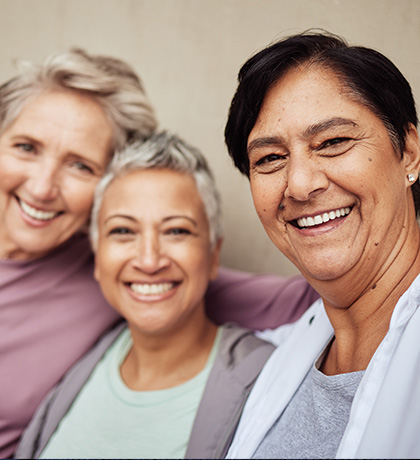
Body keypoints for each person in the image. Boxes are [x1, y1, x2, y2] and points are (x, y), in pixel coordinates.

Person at [0, 48, 318, 458]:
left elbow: (329, 291)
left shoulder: (115, 265)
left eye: (80, 165)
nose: (43, 186)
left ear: (107, 189)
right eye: (26, 147)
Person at [15, 132, 276, 459]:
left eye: (176, 231)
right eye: (123, 231)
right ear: (97, 257)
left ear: (212, 256)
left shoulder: (268, 381)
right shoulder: (80, 363)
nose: (149, 260)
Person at [223, 31, 420, 458]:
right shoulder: (286, 349)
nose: (300, 184)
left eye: (332, 142)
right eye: (270, 159)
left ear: (408, 152)